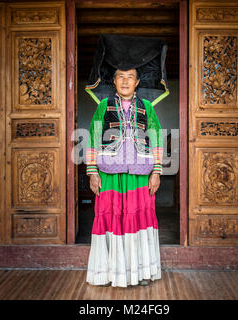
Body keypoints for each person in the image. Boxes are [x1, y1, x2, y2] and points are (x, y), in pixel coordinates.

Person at [85, 68, 163, 287]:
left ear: (137, 82)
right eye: (121, 77)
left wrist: (156, 172)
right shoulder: (103, 106)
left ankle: (140, 272)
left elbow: (156, 140)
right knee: (111, 217)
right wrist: (92, 172)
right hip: (109, 175)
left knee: (138, 219)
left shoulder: (147, 108)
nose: (125, 81)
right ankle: (111, 273)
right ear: (115, 81)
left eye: (130, 77)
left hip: (140, 176)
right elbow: (92, 137)